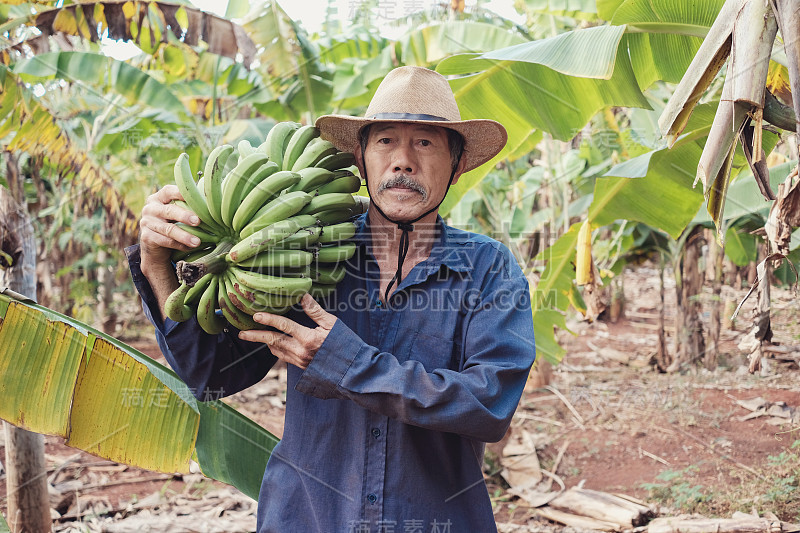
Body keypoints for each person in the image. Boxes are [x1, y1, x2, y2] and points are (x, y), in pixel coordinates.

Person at [127, 66, 536, 532]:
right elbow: (209, 374)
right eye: (385, 142)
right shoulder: (304, 251)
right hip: (309, 518)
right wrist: (157, 266)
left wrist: (347, 361)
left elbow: (488, 404)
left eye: (425, 142)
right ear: (360, 161)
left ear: (457, 164)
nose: (403, 161)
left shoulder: (488, 268)